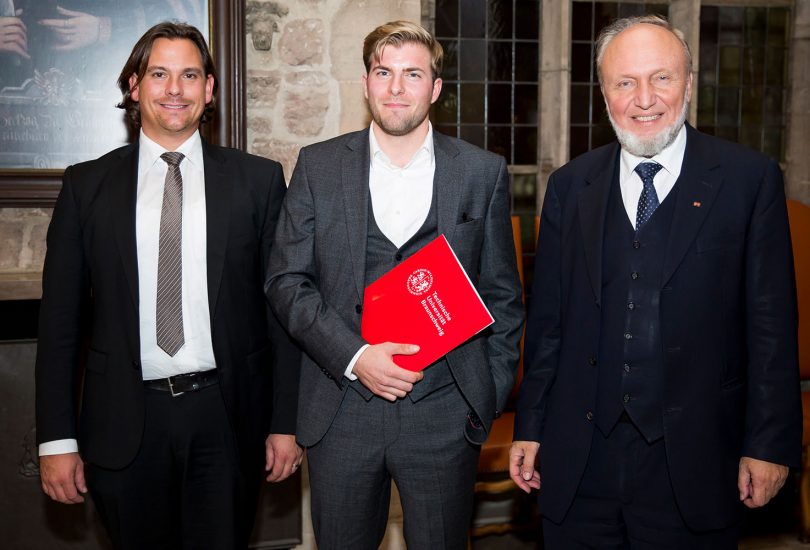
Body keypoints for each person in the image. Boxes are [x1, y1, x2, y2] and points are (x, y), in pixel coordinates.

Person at [510, 14, 801, 548]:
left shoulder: (747, 180)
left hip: (695, 458)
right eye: (625, 82)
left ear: (689, 84)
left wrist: (770, 443)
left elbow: (772, 327)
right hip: (580, 459)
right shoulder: (571, 187)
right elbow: (548, 322)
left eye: (661, 78)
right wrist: (530, 425)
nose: (644, 99)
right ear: (603, 93)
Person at [35, 21, 301, 550]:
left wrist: (285, 422)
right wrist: (56, 440)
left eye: (189, 75)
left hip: (227, 422)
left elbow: (282, 312)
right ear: (134, 87)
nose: (174, 89)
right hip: (124, 424)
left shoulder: (259, 181)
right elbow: (59, 324)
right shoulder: (86, 186)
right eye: (159, 74)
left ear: (210, 89)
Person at [265, 20, 524, 550]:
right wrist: (355, 356)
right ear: (366, 83)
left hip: (445, 414)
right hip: (343, 411)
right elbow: (287, 280)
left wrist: (483, 395)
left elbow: (503, 297)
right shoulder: (318, 167)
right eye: (383, 72)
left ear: (435, 88)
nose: (396, 87)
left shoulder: (481, 173)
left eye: (412, 74)